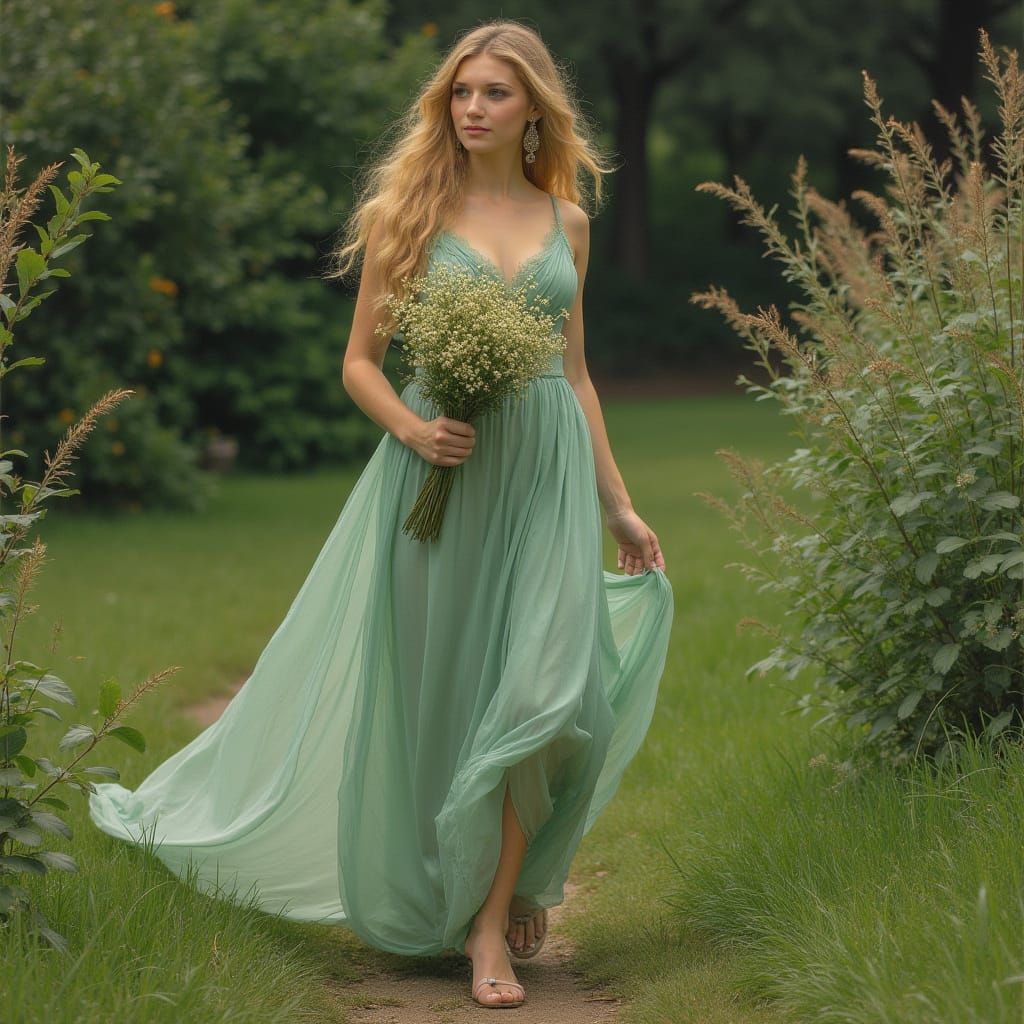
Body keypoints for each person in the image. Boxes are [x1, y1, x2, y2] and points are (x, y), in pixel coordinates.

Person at [89, 17, 674, 1011]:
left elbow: (575, 374)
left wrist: (617, 504)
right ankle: (479, 886)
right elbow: (357, 362)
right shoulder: (412, 208)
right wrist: (414, 429)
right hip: (439, 482)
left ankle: (495, 921)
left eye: (494, 92)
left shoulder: (564, 221)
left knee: (546, 697)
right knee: (448, 698)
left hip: (543, 477)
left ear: (534, 105)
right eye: (460, 92)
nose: (474, 108)